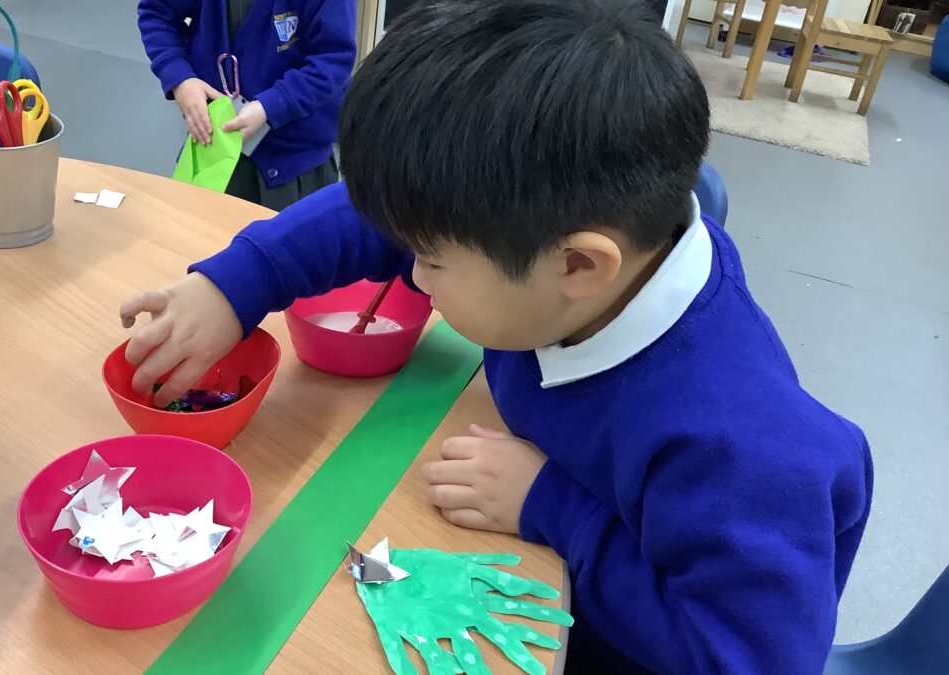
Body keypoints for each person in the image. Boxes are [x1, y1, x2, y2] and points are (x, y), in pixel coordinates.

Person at [119, 0, 873, 670]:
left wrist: (555, 506)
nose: (412, 276)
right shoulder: (558, 261)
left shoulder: (735, 446)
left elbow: (748, 655)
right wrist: (238, 283)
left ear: (578, 263)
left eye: (432, 260)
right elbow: (380, 217)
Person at [138, 0, 355, 210]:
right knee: (191, 240)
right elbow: (157, 13)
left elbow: (333, 59)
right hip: (212, 147)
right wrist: (180, 78)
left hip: (293, 163)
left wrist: (272, 106)